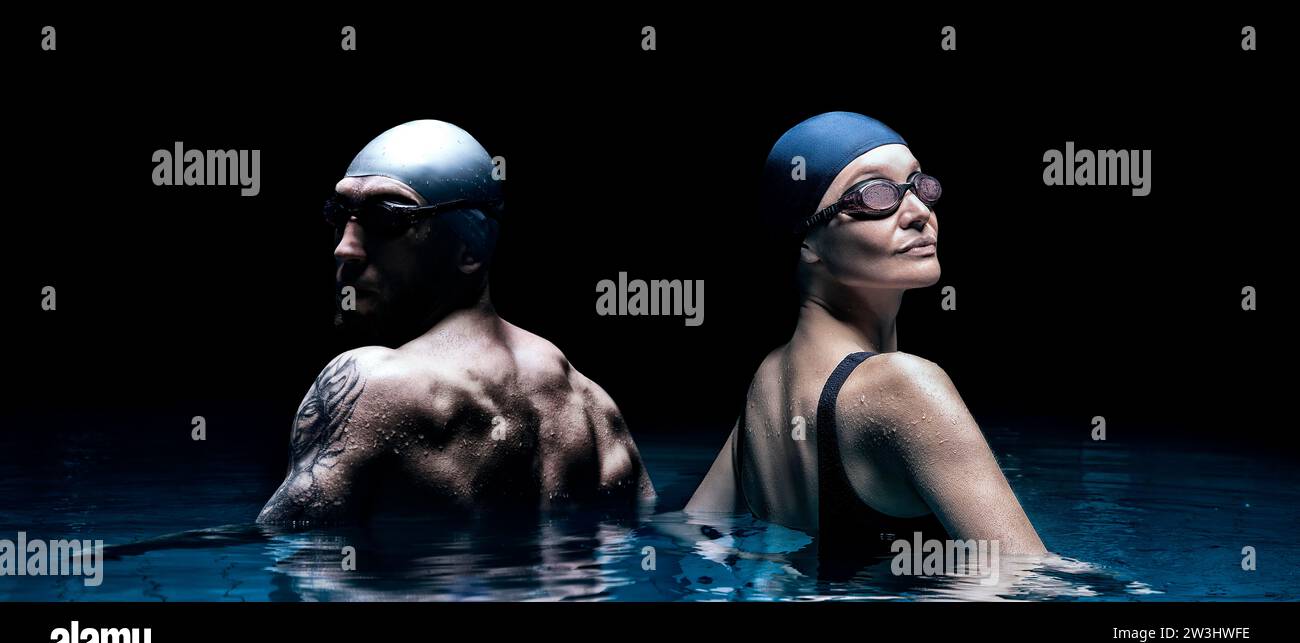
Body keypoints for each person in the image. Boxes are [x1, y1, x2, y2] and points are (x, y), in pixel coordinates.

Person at [258, 120, 654, 524]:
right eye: (339, 214)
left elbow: (290, 563)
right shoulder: (594, 410)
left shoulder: (373, 381)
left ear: (471, 248)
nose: (345, 248)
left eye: (388, 219)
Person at [686, 112, 1044, 556]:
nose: (918, 213)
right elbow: (1027, 578)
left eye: (920, 185)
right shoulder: (904, 386)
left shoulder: (768, 379)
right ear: (807, 243)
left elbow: (695, 528)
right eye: (875, 196)